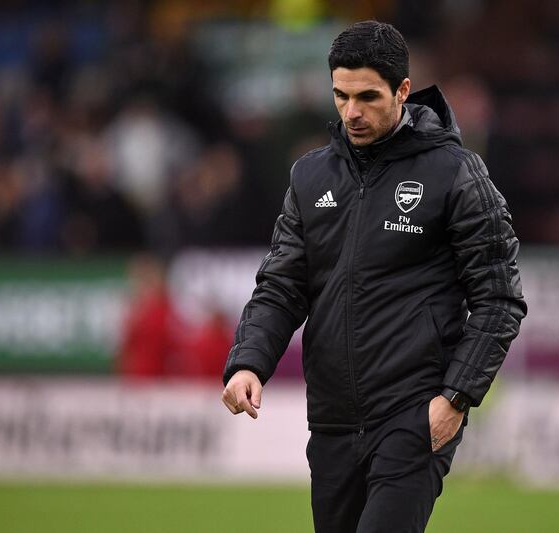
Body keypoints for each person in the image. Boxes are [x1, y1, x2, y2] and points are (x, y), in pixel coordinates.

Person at [222, 21, 527, 532]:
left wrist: (454, 399)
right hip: (332, 422)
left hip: (413, 416)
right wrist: (248, 362)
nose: (351, 112)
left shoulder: (456, 173)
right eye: (341, 95)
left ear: (403, 91)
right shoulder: (310, 176)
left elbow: (499, 298)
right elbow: (281, 286)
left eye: (367, 96)